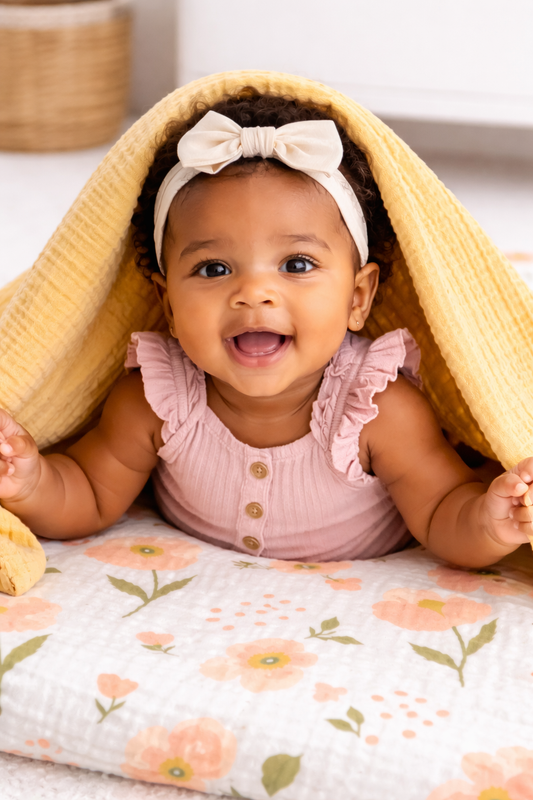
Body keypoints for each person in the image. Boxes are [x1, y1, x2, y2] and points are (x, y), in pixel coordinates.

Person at [0, 91, 531, 568]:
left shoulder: (376, 409)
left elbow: (442, 513)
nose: (254, 293)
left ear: (358, 298)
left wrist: (491, 521)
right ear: (167, 302)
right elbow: (89, 493)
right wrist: (31, 482)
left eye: (296, 264)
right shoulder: (156, 399)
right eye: (214, 269)